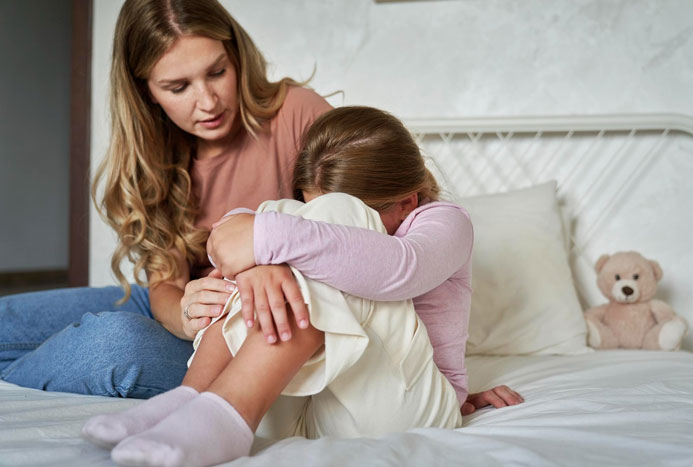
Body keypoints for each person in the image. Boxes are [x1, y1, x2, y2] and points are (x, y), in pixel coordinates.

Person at [82, 106, 524, 467]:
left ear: (406, 200)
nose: (315, 220)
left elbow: (399, 269)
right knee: (280, 217)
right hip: (309, 403)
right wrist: (258, 267)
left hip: (405, 409)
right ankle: (191, 400)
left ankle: (224, 413)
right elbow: (253, 236)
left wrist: (260, 240)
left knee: (317, 224)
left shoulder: (443, 222)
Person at [0, 0, 331, 398]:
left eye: (218, 72)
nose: (208, 102)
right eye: (178, 87)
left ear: (236, 54)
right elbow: (164, 287)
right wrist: (186, 314)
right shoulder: (154, 151)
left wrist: (268, 260)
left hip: (252, 333)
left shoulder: (297, 113)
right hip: (184, 308)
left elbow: (357, 232)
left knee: (110, 342)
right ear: (147, 92)